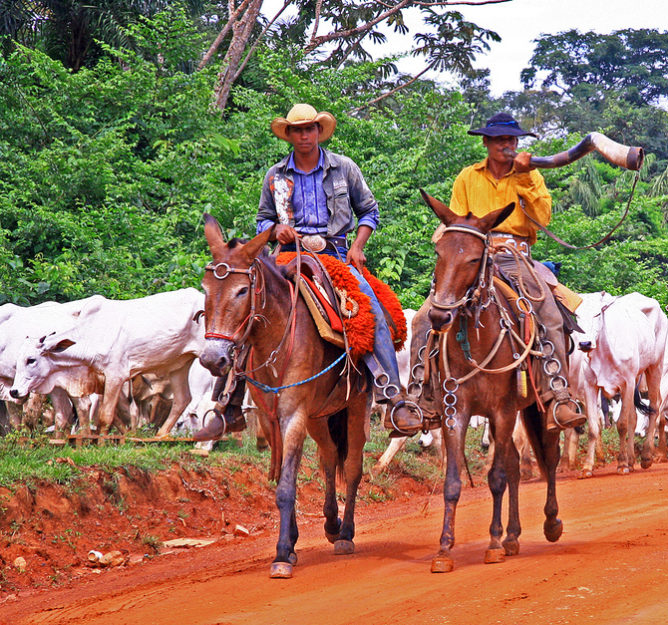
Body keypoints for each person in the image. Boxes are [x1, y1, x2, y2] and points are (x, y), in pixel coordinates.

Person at [194, 103, 406, 440]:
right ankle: (226, 406)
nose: (304, 135)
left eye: (310, 128)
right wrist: (275, 230)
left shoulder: (344, 168)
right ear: (289, 135)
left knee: (372, 311)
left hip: (335, 253)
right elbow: (264, 217)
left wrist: (358, 246)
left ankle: (394, 397)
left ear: (319, 132)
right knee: (246, 308)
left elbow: (369, 211)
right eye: (297, 130)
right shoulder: (276, 175)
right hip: (285, 256)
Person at [390, 112, 587, 433]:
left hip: (516, 257)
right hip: (471, 254)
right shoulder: (468, 176)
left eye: (510, 140)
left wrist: (524, 177)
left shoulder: (530, 175)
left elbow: (543, 217)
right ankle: (420, 400)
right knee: (424, 317)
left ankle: (558, 396)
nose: (505, 146)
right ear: (486, 142)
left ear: (517, 143)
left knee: (550, 313)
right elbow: (454, 221)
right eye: (498, 140)